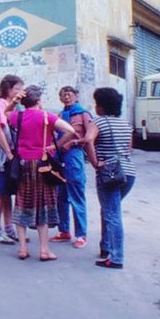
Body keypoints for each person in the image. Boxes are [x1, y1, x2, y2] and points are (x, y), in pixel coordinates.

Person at [7, 85, 76, 261]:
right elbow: (71, 131)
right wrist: (55, 146)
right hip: (43, 164)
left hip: (23, 164)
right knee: (44, 205)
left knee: (22, 203)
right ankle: (44, 250)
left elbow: (5, 114)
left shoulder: (18, 116)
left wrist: (14, 102)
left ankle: (23, 248)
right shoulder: (47, 117)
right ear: (38, 101)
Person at [83, 87, 136, 269]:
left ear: (102, 107)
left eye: (97, 103)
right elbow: (128, 149)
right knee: (109, 209)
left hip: (109, 174)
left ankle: (116, 257)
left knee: (112, 214)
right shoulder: (125, 124)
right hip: (128, 173)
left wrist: (95, 162)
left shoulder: (97, 122)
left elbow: (88, 140)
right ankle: (106, 247)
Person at [50, 86, 93, 248]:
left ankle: (81, 234)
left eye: (69, 94)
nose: (66, 97)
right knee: (61, 195)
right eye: (63, 95)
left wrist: (74, 142)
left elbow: (90, 137)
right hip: (60, 156)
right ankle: (64, 231)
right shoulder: (61, 115)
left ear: (76, 96)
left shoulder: (83, 114)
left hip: (74, 155)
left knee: (76, 194)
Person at [0, 74, 24, 245]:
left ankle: (8, 228)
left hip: (10, 152)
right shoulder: (0, 106)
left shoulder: (11, 106)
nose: (19, 92)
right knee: (0, 191)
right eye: (17, 88)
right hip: (4, 154)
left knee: (7, 192)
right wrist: (9, 153)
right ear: (8, 89)